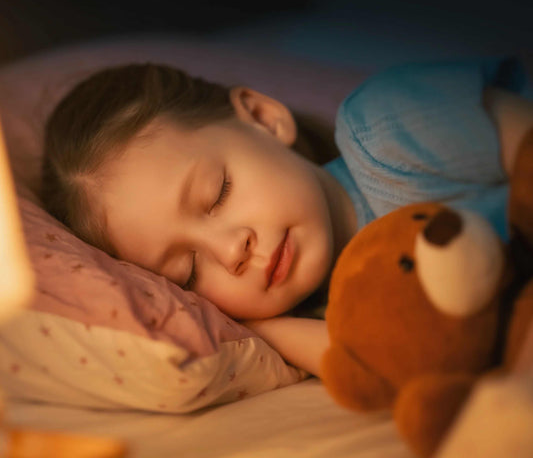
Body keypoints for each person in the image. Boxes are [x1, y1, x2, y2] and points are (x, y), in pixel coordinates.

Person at [41, 57, 533, 377]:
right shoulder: (321, 311)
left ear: (261, 117)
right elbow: (382, 359)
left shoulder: (387, 130)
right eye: (186, 271)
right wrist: (262, 326)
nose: (232, 251)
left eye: (218, 194)